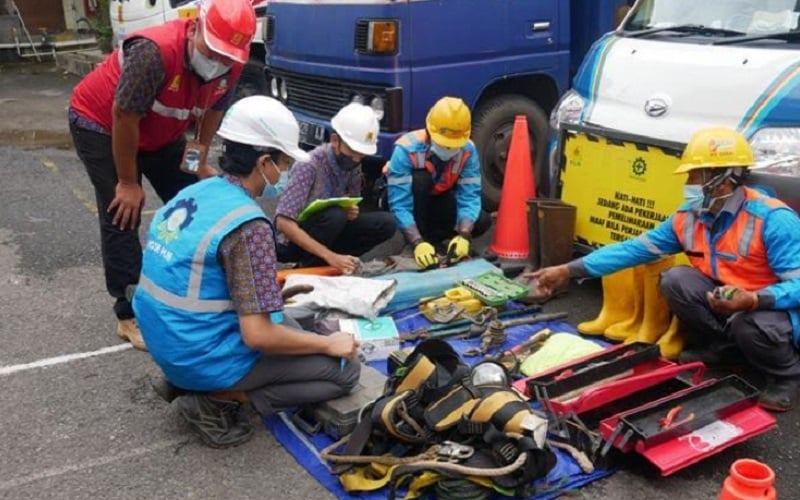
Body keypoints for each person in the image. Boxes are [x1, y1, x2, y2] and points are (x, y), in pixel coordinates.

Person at [132, 96, 361, 449]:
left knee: (300, 321)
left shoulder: (194, 193)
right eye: (283, 163)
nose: (283, 174)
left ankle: (192, 381)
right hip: (200, 354)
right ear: (264, 162)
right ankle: (219, 397)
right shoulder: (248, 226)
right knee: (344, 371)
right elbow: (257, 336)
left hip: (167, 341)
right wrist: (330, 344)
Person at [528, 127, 800, 412]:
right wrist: (568, 271)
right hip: (729, 299)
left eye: (694, 176)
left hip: (773, 309)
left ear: (722, 179)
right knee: (675, 280)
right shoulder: (688, 218)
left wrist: (755, 300)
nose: (688, 184)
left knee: (749, 323)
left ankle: (786, 375)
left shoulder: (773, 219)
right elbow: (631, 250)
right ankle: (726, 348)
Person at [68, 0, 257, 350]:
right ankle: (128, 312)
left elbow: (213, 110)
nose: (218, 61)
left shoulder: (232, 64)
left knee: (190, 197)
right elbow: (124, 116)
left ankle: (193, 282)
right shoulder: (152, 53)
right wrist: (127, 182)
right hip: (102, 123)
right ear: (196, 27)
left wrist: (198, 156)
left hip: (160, 130)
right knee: (123, 211)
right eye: (212, 50)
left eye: (227, 56)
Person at [275, 103, 397, 274]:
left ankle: (339, 263)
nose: (355, 158)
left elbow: (351, 209)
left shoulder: (354, 166)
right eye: (352, 151)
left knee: (387, 223)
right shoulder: (309, 164)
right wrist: (329, 255)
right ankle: (308, 267)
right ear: (334, 141)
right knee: (335, 215)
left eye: (361, 155)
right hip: (293, 242)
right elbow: (283, 223)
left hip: (331, 231)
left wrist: (352, 213)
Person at [385, 96, 492, 270]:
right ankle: (418, 242)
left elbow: (469, 194)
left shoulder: (468, 150)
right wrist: (417, 241)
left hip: (440, 197)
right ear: (429, 131)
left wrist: (464, 235)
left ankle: (438, 242)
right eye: (444, 144)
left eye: (453, 145)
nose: (449, 149)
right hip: (413, 199)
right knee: (420, 180)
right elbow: (400, 204)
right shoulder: (405, 149)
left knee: (480, 220)